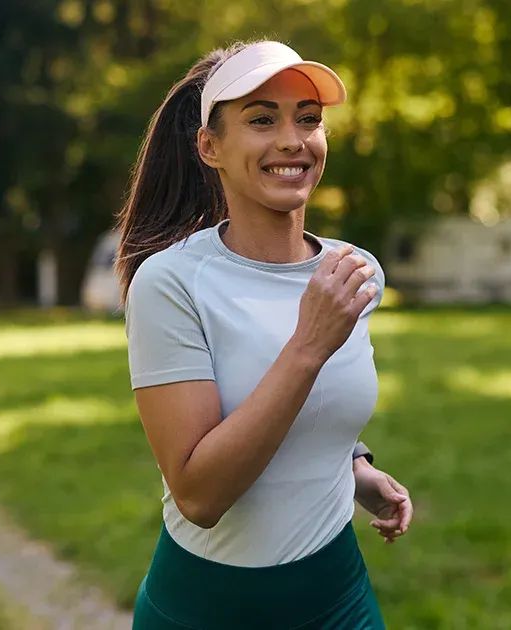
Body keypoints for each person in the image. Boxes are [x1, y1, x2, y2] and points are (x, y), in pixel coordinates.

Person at [115, 40, 414, 629]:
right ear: (210, 147)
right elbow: (200, 496)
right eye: (261, 120)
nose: (292, 140)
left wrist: (353, 467)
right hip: (205, 609)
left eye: (309, 119)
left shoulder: (354, 274)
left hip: (338, 601)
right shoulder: (172, 283)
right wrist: (307, 345)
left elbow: (312, 407)